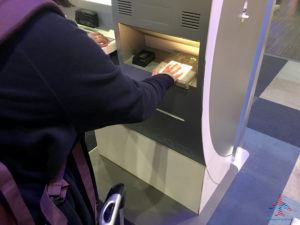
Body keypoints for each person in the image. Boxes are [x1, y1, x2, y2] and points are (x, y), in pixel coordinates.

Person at [0, 0, 182, 224]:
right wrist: (163, 79)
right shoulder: (37, 28)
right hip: (39, 202)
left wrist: (75, 46)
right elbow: (135, 104)